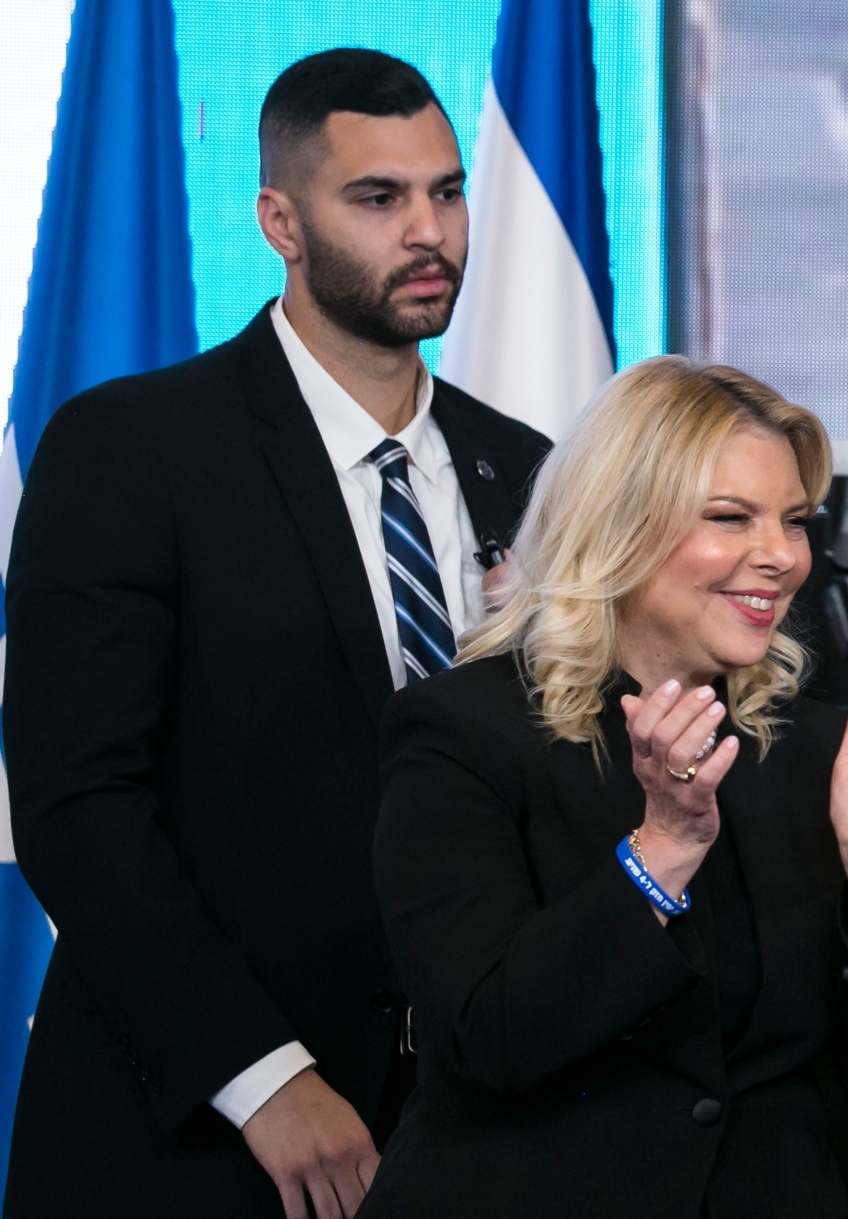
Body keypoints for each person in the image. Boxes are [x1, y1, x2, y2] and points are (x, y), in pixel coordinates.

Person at [2, 49, 550, 1219]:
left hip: (475, 1134)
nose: (430, 232)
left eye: (447, 192)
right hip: (200, 1141)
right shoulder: (135, 449)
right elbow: (78, 804)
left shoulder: (530, 469)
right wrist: (261, 1079)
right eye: (379, 197)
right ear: (279, 222)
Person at [362, 357, 848, 1218]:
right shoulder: (463, 731)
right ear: (619, 527)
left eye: (795, 522)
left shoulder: (822, 747)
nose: (781, 557)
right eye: (732, 518)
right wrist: (661, 852)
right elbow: (488, 1040)